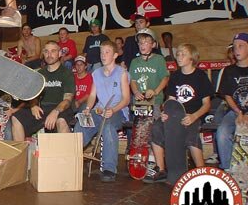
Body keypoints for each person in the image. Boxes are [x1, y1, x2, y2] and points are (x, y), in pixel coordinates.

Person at [145, 43, 213, 184]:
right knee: (157, 127)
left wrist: (194, 116)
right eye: (178, 54)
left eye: (183, 54)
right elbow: (170, 101)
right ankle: (161, 169)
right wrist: (165, 113)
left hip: (193, 115)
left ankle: (202, 172)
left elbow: (207, 104)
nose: (179, 56)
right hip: (175, 116)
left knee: (191, 133)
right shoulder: (175, 76)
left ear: (192, 58)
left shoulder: (200, 76)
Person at [75, 40, 130, 182]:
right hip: (99, 110)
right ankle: (72, 157)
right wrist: (88, 108)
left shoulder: (122, 73)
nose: (103, 55)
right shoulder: (96, 73)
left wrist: (113, 109)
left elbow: (126, 99)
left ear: (115, 55)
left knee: (109, 126)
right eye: (101, 52)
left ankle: (109, 168)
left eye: (107, 52)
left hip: (117, 110)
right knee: (81, 124)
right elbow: (93, 95)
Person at [128, 28, 170, 182]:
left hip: (155, 101)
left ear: (153, 44)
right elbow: (132, 80)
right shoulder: (135, 61)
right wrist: (135, 91)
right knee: (140, 133)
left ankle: (156, 163)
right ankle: (142, 162)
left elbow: (165, 78)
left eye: (146, 42)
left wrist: (156, 91)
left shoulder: (159, 59)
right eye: (140, 43)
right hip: (139, 103)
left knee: (154, 131)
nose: (143, 45)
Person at [11, 40, 75, 141]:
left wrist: (55, 111)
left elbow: (67, 100)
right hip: (43, 109)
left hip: (61, 109)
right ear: (43, 54)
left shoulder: (67, 73)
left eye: (53, 51)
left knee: (61, 121)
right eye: (46, 51)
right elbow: (34, 96)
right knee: (16, 118)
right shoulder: (39, 74)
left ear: (59, 54)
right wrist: (33, 105)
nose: (49, 54)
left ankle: (66, 155)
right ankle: (21, 155)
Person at [216, 33, 248, 171]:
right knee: (222, 132)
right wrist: (239, 112)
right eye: (235, 47)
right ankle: (227, 170)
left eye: (241, 46)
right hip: (235, 111)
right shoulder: (229, 70)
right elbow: (227, 95)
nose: (237, 50)